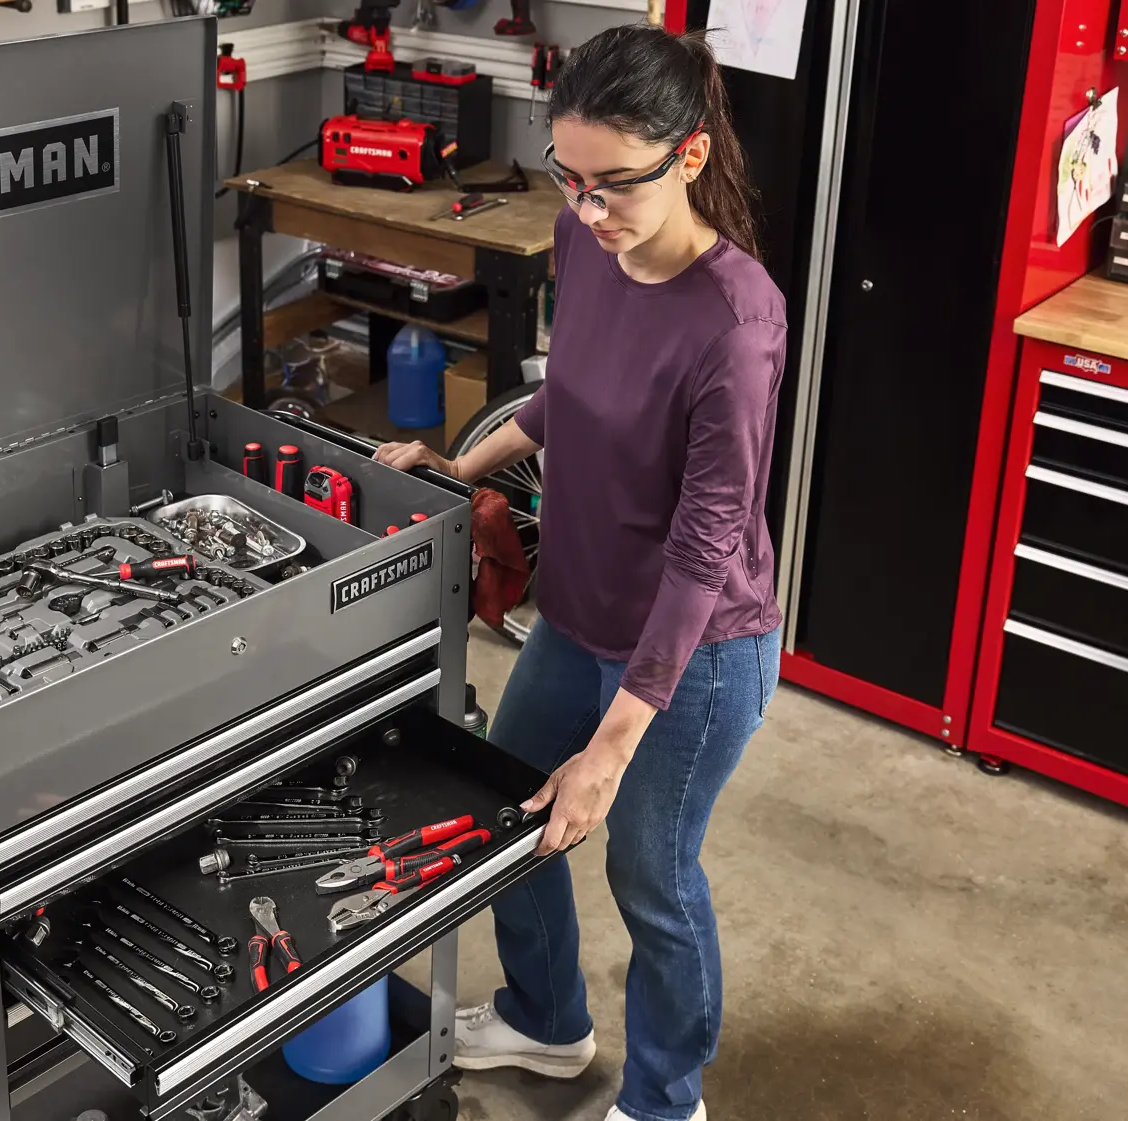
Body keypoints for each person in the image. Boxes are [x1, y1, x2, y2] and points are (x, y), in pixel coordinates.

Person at [373, 25, 786, 1121]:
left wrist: (611, 744)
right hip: (580, 608)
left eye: (614, 186)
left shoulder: (736, 324)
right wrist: (459, 466)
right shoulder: (585, 240)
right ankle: (549, 1022)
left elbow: (708, 543)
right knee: (512, 804)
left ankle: (664, 1098)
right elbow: (572, 393)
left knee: (650, 875)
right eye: (571, 177)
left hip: (697, 650)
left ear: (689, 157)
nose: (587, 210)